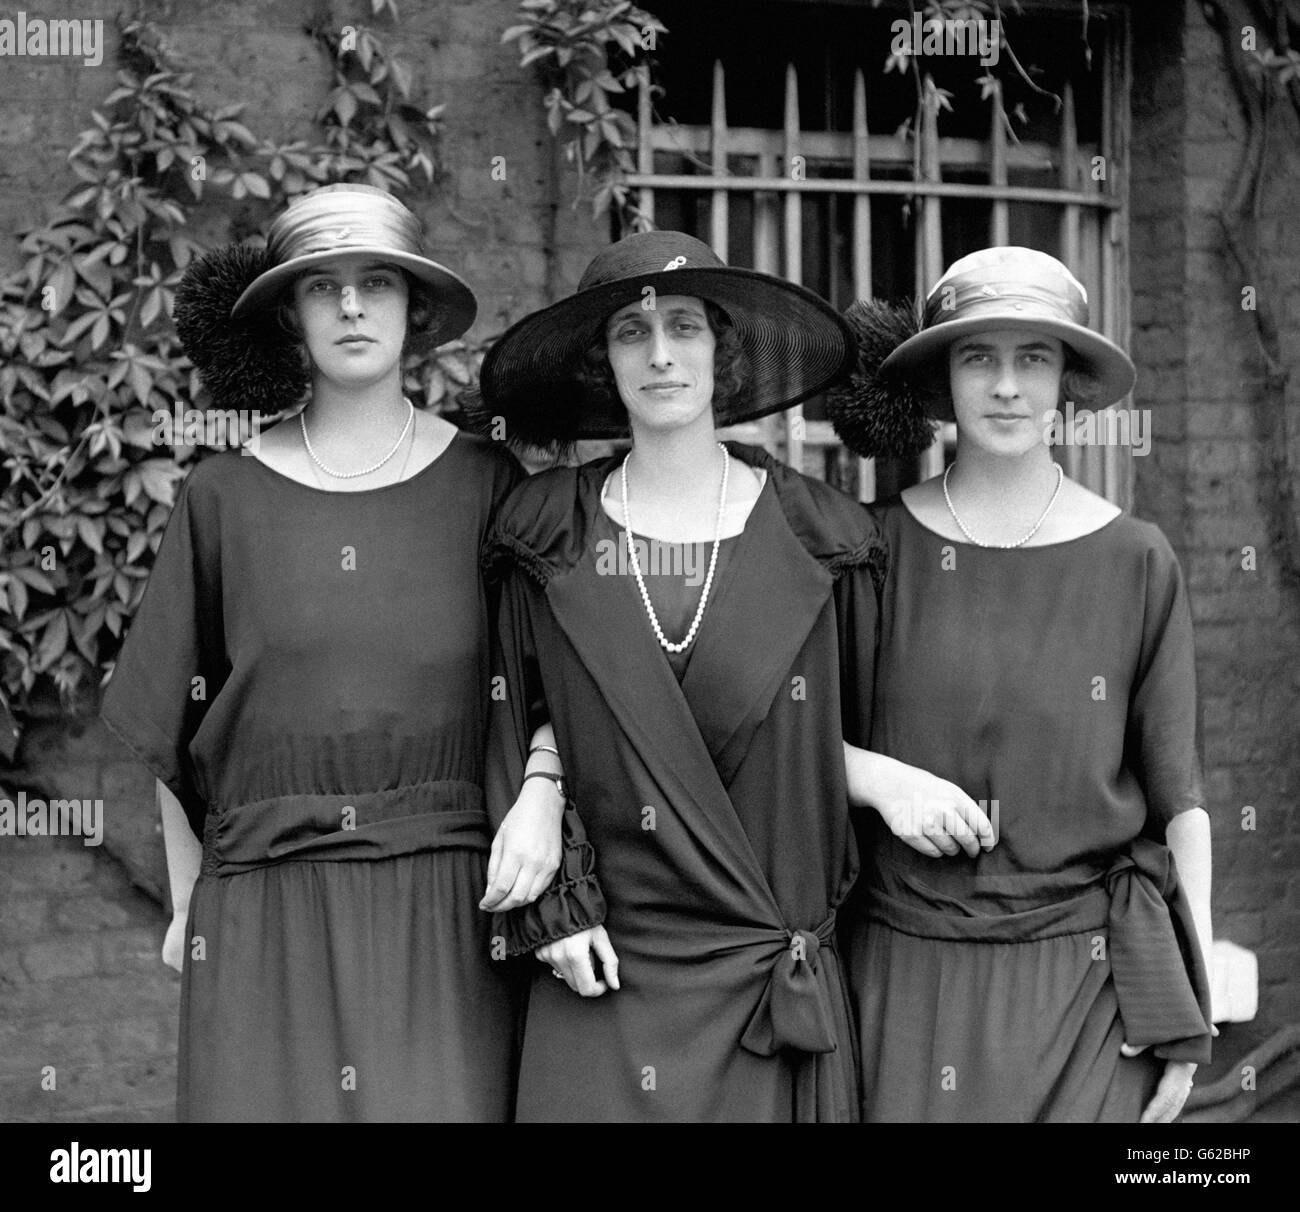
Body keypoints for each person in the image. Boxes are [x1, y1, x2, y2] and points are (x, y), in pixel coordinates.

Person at [101, 183, 562, 1122]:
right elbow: (172, 726)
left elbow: (559, 688)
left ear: (415, 307)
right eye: (324, 288)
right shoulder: (222, 497)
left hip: (448, 917)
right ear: (290, 316)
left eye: (377, 283)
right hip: (265, 915)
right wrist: (190, 909)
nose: (352, 307)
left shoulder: (489, 487)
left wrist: (545, 792)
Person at [475, 229, 890, 1122]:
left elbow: (842, 739)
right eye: (631, 332)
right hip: (600, 969)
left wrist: (887, 777)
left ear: (723, 350)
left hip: (766, 983)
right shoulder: (545, 531)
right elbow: (515, 715)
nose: (660, 354)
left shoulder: (827, 538)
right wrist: (552, 880)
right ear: (603, 364)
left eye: (686, 328)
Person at [831, 245, 1214, 1122]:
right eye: (979, 357)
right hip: (903, 985)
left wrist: (1186, 1017)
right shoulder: (869, 551)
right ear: (941, 380)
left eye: (1032, 358)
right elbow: (789, 737)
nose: (1007, 386)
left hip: (1086, 996)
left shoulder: (1136, 561)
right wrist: (881, 779)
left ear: (1068, 380)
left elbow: (1180, 802)